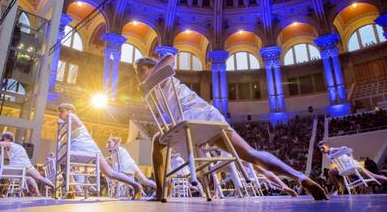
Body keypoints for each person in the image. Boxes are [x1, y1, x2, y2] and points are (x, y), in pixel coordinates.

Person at [134, 56, 328, 201]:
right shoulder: (150, 91)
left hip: (193, 120)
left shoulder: (158, 78)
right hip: (203, 120)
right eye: (137, 72)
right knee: (251, 154)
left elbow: (169, 57)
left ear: (150, 67)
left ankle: (160, 193)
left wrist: (149, 79)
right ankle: (299, 176)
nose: (138, 75)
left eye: (140, 70)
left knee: (249, 154)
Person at [57, 103, 143, 199]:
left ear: (68, 111)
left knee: (110, 173)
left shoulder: (72, 116)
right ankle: (70, 191)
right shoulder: (68, 121)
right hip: (88, 149)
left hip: (85, 149)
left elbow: (77, 123)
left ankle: (136, 185)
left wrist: (68, 120)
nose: (59, 114)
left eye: (61, 111)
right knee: (110, 173)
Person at [318, 141, 387, 194]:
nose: (321, 150)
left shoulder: (332, 150)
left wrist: (339, 151)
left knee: (373, 175)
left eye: (323, 148)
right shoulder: (327, 153)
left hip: (351, 166)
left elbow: (343, 148)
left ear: (327, 146)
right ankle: (339, 188)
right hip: (346, 168)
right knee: (331, 172)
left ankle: (339, 189)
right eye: (320, 148)